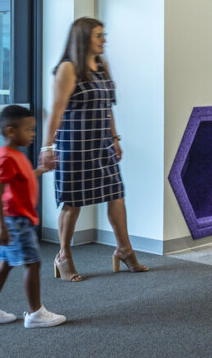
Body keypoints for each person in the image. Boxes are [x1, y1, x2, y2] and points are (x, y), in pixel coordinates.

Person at [40, 17, 146, 280]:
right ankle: (63, 255)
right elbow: (56, 111)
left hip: (101, 145)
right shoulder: (68, 68)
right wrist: (47, 147)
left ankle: (124, 249)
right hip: (74, 145)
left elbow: (107, 105)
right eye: (99, 35)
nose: (104, 40)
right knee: (73, 203)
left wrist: (115, 137)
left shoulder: (101, 64)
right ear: (83, 38)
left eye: (103, 34)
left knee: (116, 194)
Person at [0, 105, 65, 328]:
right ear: (10, 132)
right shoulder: (6, 158)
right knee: (32, 263)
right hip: (15, 221)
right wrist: (2, 227)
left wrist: (41, 170)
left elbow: (24, 179)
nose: (33, 134)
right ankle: (35, 313)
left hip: (17, 219)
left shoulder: (16, 155)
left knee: (5, 263)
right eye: (28, 130)